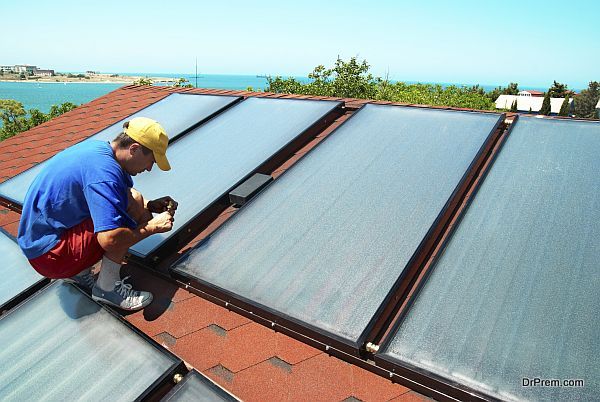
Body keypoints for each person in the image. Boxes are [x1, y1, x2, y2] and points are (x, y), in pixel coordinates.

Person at [18, 117, 178, 311]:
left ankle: (78, 272)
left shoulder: (99, 151)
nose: (150, 168)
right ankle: (107, 289)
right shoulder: (104, 174)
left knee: (135, 199)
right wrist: (152, 227)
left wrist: (149, 205)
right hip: (51, 256)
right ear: (134, 148)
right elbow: (111, 240)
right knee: (128, 214)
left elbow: (115, 195)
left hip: (40, 241)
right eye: (151, 160)